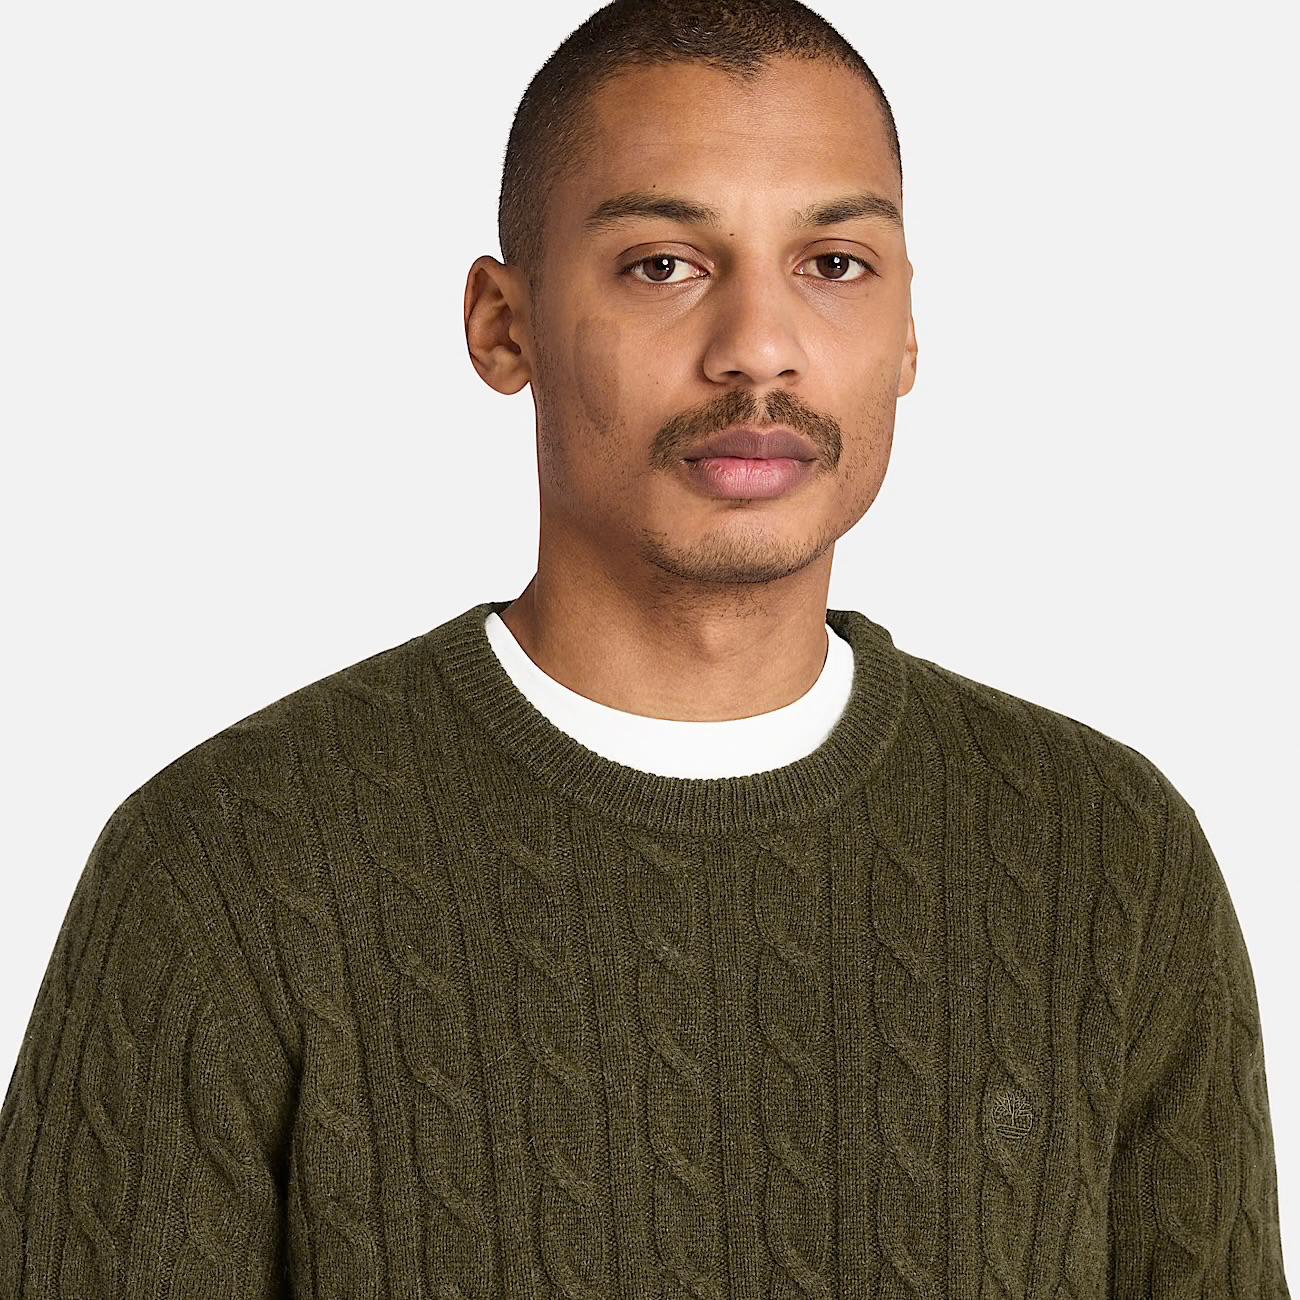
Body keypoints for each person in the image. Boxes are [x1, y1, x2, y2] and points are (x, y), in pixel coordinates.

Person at [3, 0, 1290, 1294]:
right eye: (663, 265)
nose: (759, 350)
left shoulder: (1109, 858)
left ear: (909, 330)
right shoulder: (227, 868)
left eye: (835, 263)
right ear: (502, 324)